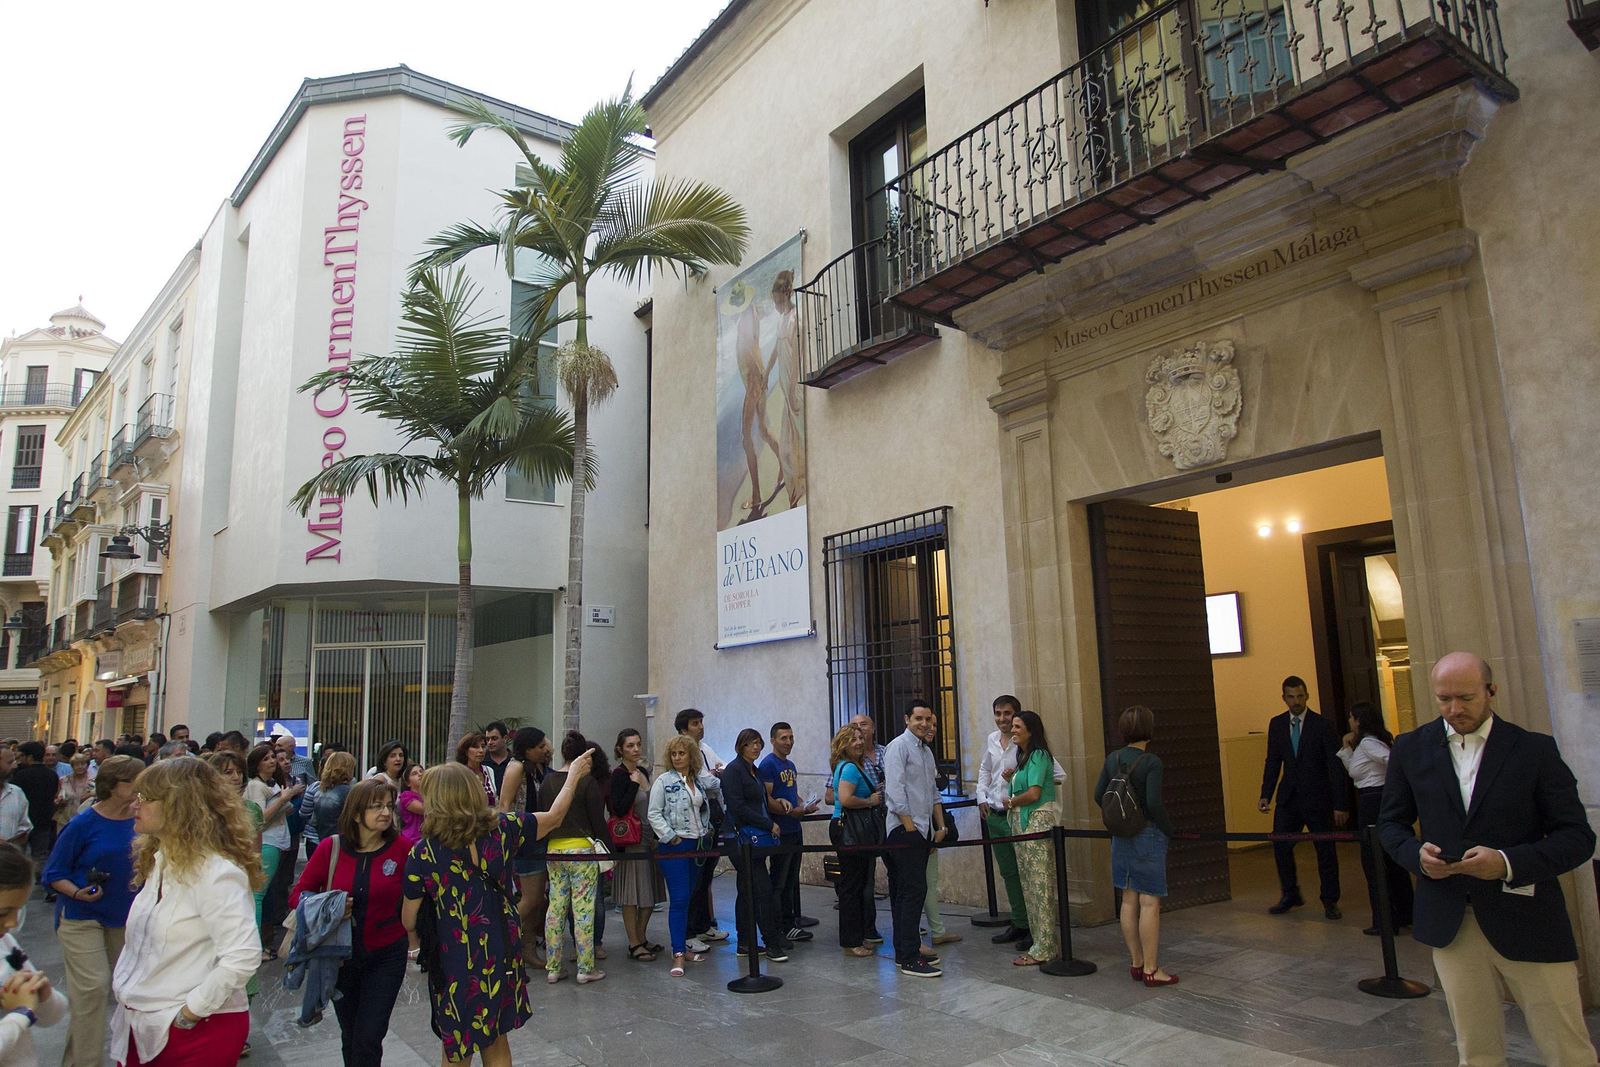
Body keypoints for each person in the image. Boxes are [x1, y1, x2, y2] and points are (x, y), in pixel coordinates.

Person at [1380, 652, 1597, 1066]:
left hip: (1528, 917)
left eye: (1465, 698)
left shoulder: (1533, 750)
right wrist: (1416, 856)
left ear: (1491, 692)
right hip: (1451, 920)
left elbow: (1577, 837)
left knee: (1567, 1048)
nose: (1454, 709)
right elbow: (1390, 825)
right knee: (1476, 1051)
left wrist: (1506, 862)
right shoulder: (1410, 748)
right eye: (1443, 699)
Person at [403, 754, 593, 1065]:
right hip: (500, 948)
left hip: (455, 959)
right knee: (495, 1038)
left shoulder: (423, 853)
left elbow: (408, 919)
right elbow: (555, 816)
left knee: (459, 1045)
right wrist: (572, 775)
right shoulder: (503, 829)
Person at [110, 756, 262, 1066]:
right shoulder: (162, 860)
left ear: (177, 805)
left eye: (145, 798)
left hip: (194, 1032)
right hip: (143, 1024)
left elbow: (243, 955)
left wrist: (191, 1011)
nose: (133, 806)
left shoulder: (216, 872)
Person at [291, 777, 412, 1066]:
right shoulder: (331, 849)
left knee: (370, 1035)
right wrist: (329, 907)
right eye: (376, 807)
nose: (385, 812)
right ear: (356, 813)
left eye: (388, 806)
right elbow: (297, 895)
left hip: (386, 954)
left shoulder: (402, 849)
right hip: (340, 957)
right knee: (351, 1033)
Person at [42, 754, 141, 1066]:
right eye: (133, 781)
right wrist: (78, 892)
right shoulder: (84, 823)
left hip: (124, 916)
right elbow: (54, 872)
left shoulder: (144, 820)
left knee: (129, 990)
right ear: (113, 786)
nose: (141, 787)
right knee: (93, 989)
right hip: (81, 916)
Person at [1094, 705, 1179, 986]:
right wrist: (1169, 830)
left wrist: (1122, 818)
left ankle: (1136, 962)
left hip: (1121, 836)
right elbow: (1154, 803)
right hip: (1147, 834)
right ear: (1150, 730)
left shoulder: (1113, 758)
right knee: (1150, 901)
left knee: (1128, 899)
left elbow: (1099, 795)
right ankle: (1153, 969)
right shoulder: (1151, 762)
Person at [1258, 675, 1347, 918]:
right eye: (1291, 697)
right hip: (1289, 797)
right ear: (1284, 698)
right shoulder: (1277, 724)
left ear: (1306, 696)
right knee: (1281, 844)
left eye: (1299, 696)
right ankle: (1290, 893)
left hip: (1318, 797)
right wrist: (1265, 793)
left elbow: (1334, 766)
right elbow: (1273, 761)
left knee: (1325, 849)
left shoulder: (1322, 725)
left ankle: (1330, 899)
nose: (1296, 701)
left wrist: (1340, 803)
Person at [647, 734, 722, 976]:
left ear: (691, 756)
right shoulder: (663, 781)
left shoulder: (697, 781)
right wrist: (670, 836)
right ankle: (678, 952)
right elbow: (654, 814)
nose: (678, 758)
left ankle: (684, 945)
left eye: (682, 753)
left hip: (697, 844)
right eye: (674, 754)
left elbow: (712, 794)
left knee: (689, 896)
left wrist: (706, 830)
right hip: (675, 846)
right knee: (679, 899)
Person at [882, 701, 947, 977]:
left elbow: (932, 792)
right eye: (918, 718)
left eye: (928, 719)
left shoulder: (926, 751)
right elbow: (895, 792)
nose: (923, 723)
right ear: (907, 719)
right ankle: (909, 955)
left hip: (923, 831)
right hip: (904, 831)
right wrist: (911, 829)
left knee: (909, 893)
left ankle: (903, 951)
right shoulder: (898, 746)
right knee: (911, 892)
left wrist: (940, 826)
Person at [1337, 700, 1413, 935]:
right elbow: (1355, 772)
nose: (1349, 721)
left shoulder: (1370, 743)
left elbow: (1392, 761)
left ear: (1358, 720)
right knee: (1388, 861)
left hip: (1374, 801)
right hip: (1371, 798)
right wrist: (1346, 747)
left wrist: (1396, 785)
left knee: (1375, 862)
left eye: (1351, 717)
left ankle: (1386, 920)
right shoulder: (1364, 745)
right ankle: (1400, 914)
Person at [537, 734, 609, 984]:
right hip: (581, 852)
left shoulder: (547, 781)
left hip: (553, 850)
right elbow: (598, 820)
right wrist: (607, 849)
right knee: (583, 909)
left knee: (555, 908)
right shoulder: (586, 782)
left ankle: (553, 967)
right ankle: (585, 967)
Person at [720, 728, 789, 962]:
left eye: (758, 743)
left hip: (755, 837)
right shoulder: (734, 771)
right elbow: (737, 807)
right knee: (763, 890)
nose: (756, 748)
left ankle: (745, 942)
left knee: (746, 890)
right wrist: (768, 823)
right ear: (741, 746)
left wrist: (775, 803)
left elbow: (760, 799)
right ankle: (771, 942)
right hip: (740, 838)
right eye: (751, 744)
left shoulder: (753, 770)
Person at [1001, 710, 1061, 968]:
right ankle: (1041, 942)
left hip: (1035, 825)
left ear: (1030, 730)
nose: (1012, 730)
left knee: (1040, 887)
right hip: (1022, 827)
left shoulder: (1038, 755)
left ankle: (1045, 946)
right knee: (1030, 887)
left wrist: (1012, 800)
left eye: (1017, 726)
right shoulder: (1024, 757)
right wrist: (1010, 780)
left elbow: (1035, 793)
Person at [0, 841, 67, 1064]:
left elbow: (52, 1015)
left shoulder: (6, 944)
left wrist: (43, 995)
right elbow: (26, 1014)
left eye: (19, 910)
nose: (12, 922)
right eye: (3, 913)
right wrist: (22, 1014)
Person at [758, 721, 818, 944]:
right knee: (779, 881)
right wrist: (790, 811)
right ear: (773, 740)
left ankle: (790, 922)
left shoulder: (790, 765)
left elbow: (792, 793)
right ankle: (778, 927)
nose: (789, 742)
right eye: (784, 738)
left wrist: (805, 806)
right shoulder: (768, 765)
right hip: (780, 829)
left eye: (791, 737)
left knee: (791, 879)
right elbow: (768, 799)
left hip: (795, 828)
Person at [608, 728, 665, 961]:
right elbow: (618, 808)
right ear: (620, 749)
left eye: (638, 744)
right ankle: (634, 942)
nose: (636, 749)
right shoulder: (620, 775)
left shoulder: (642, 771)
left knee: (650, 893)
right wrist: (633, 785)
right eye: (630, 745)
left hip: (649, 837)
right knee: (632, 893)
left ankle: (641, 937)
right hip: (631, 841)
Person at [497, 728, 551, 964]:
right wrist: (511, 839)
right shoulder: (516, 767)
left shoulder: (536, 768)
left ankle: (528, 949)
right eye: (539, 746)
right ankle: (499, 939)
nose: (544, 749)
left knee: (538, 899)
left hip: (537, 836)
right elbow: (504, 805)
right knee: (530, 898)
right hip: (524, 839)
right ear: (527, 749)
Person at [828, 725, 882, 958]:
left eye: (861, 738)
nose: (859, 743)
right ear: (844, 744)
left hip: (851, 829)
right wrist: (870, 800)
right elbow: (845, 799)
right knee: (851, 888)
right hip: (850, 829)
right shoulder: (849, 768)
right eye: (853, 740)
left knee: (857, 885)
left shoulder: (851, 765)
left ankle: (857, 937)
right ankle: (851, 941)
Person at [244, 743, 304, 955]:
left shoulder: (270, 784)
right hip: (266, 842)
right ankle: (255, 946)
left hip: (276, 841)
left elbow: (280, 812)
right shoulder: (256, 786)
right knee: (258, 895)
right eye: (266, 758)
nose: (272, 761)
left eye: (272, 757)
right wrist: (285, 798)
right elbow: (260, 817)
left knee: (265, 893)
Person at [675, 708, 727, 948]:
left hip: (711, 818)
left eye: (701, 722)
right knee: (693, 880)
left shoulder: (704, 749)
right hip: (693, 822)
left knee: (706, 876)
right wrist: (719, 778)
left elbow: (720, 769)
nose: (701, 727)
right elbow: (706, 781)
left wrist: (719, 776)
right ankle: (688, 934)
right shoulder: (682, 753)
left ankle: (704, 926)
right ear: (684, 729)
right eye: (695, 723)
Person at [846, 712, 887, 943]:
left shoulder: (887, 752)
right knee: (864, 881)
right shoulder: (850, 764)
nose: (860, 730)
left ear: (873, 728)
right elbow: (835, 796)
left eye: (863, 725)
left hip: (890, 821)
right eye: (854, 726)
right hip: (864, 826)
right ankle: (865, 929)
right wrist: (868, 799)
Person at [302, 751, 357, 862]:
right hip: (339, 842)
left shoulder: (317, 789)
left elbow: (306, 815)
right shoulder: (349, 792)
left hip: (316, 840)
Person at [11, 744, 57, 872]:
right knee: (40, 856)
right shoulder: (52, 775)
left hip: (24, 821)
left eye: (22, 756)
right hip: (44, 821)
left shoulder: (21, 775)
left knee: (18, 855)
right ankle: (39, 883)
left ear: (29, 757)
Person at [0, 748, 32, 848]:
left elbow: (25, 827)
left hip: (7, 860)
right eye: (10, 762)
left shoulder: (16, 793)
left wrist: (12, 844)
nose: (15, 766)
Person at [55, 752, 94, 830]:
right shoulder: (63, 780)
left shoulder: (94, 782)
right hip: (65, 821)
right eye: (76, 764)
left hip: (86, 822)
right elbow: (56, 799)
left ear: (87, 765)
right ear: (72, 766)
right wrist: (59, 801)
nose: (80, 767)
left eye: (82, 764)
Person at [454, 732, 496, 807]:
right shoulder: (459, 773)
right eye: (475, 747)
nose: (481, 750)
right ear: (466, 751)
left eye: (483, 746)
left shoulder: (489, 770)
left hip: (490, 816)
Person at [397, 763, 425, 846]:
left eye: (421, 771)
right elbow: (425, 810)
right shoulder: (406, 796)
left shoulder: (429, 795)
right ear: (408, 783)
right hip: (413, 839)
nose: (420, 774)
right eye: (414, 773)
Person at [482, 721, 512, 799]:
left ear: (505, 738)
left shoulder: (514, 762)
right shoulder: (481, 761)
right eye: (487, 739)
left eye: (494, 738)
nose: (490, 742)